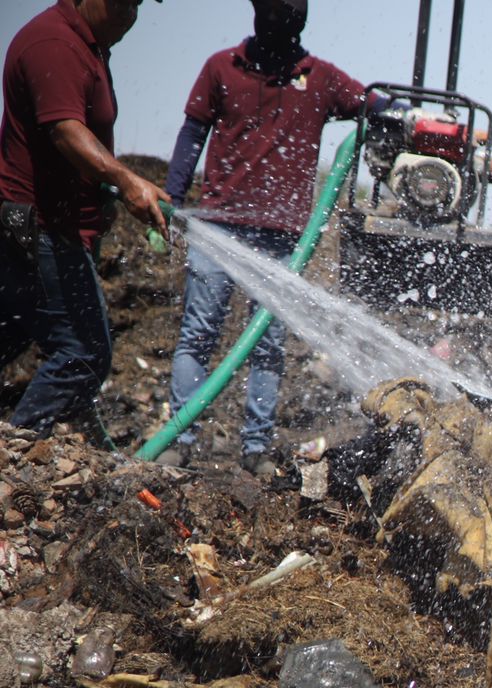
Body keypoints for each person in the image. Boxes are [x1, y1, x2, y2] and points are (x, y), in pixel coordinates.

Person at [159, 0, 373, 475]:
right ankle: (180, 438)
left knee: (268, 345)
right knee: (199, 335)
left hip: (281, 239)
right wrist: (171, 197)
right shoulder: (221, 68)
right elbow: (193, 132)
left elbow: (372, 105)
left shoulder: (318, 78)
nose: (283, 25)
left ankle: (255, 450)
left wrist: (407, 115)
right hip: (217, 226)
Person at [0, 0, 169, 436]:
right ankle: (21, 449)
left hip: (39, 225)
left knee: (14, 332)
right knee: (84, 355)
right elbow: (66, 132)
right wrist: (128, 182)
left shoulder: (86, 45)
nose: (128, 15)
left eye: (136, 5)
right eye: (120, 3)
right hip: (40, 229)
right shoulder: (55, 43)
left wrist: (103, 195)